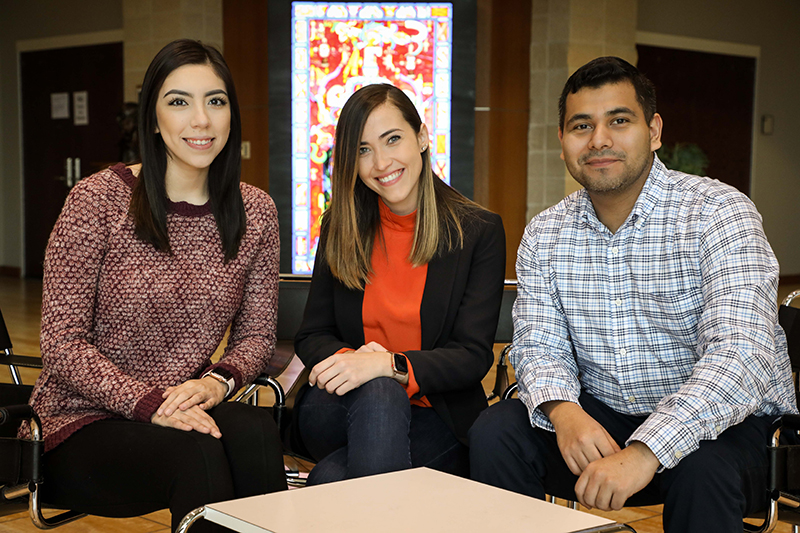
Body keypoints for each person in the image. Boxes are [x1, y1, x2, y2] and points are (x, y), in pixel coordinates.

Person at [469, 56, 797, 533]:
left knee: (700, 471)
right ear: (562, 143)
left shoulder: (718, 214)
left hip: (726, 429)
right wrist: (564, 412)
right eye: (582, 126)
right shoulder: (545, 233)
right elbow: (539, 345)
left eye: (619, 121)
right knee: (495, 433)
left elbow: (739, 357)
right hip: (601, 418)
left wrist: (647, 450)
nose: (599, 139)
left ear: (654, 130)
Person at [20, 39, 286, 532]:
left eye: (216, 100)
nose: (200, 120)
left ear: (232, 114)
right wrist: (148, 403)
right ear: (154, 117)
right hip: (79, 422)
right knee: (198, 453)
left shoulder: (257, 212)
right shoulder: (97, 200)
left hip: (182, 405)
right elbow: (61, 344)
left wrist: (215, 382)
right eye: (179, 101)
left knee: (255, 432)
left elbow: (255, 338)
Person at [293, 83, 506, 485]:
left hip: (437, 415)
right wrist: (361, 365)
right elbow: (312, 334)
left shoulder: (478, 231)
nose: (381, 162)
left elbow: (473, 355)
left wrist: (391, 365)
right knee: (380, 390)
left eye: (393, 139)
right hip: (337, 405)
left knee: (330, 480)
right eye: (363, 149)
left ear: (422, 138)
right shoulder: (340, 225)